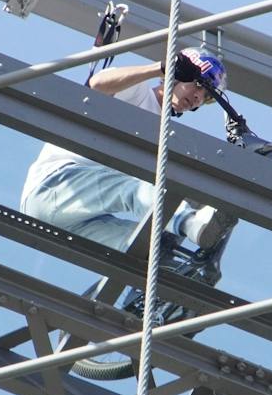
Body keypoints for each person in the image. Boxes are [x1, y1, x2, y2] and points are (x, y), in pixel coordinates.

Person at [21, 47, 229, 250]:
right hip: (55, 185)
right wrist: (162, 68)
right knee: (135, 188)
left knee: (148, 245)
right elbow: (98, 84)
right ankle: (189, 223)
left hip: (75, 218)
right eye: (199, 85)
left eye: (205, 98)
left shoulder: (165, 137)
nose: (198, 98)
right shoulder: (137, 91)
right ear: (178, 76)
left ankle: (189, 259)